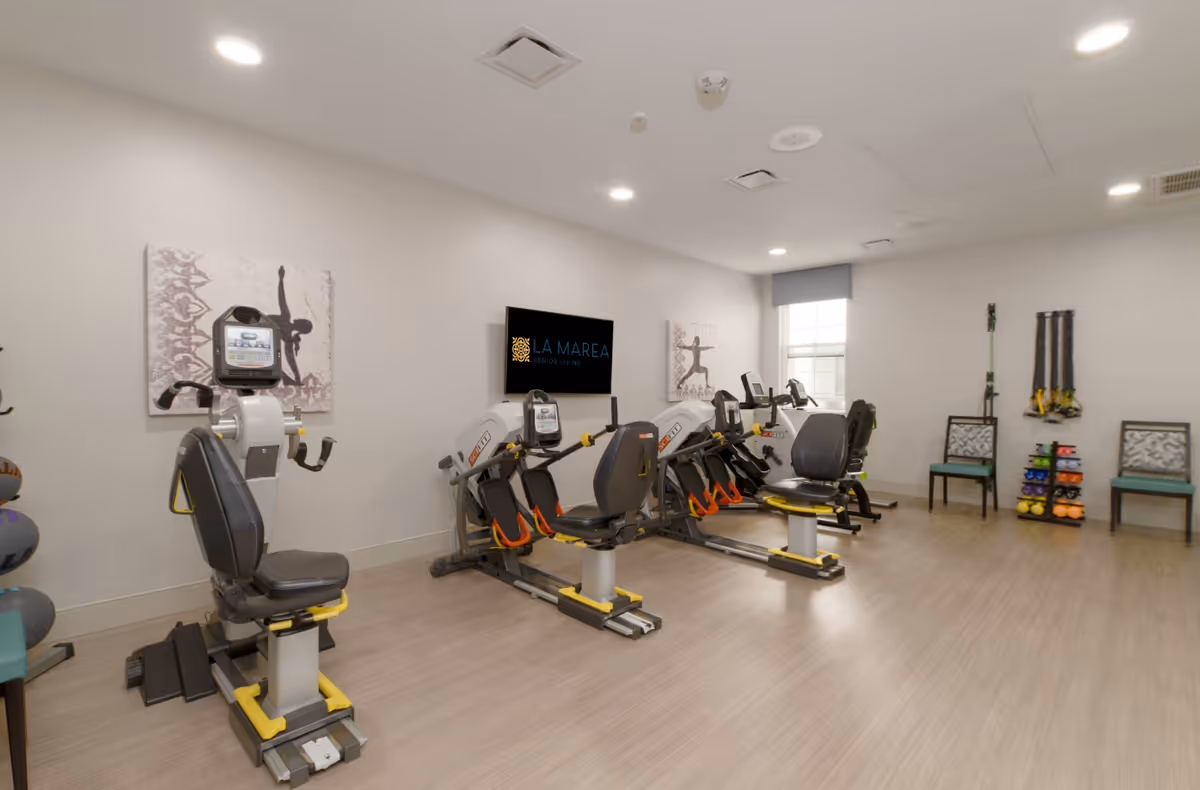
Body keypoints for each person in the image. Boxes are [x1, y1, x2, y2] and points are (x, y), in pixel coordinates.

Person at [265, 266, 314, 387]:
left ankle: (287, 380)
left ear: (300, 325)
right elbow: (291, 359)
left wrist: (281, 279)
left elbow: (281, 297)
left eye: (303, 320)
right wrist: (297, 378)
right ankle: (288, 380)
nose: (301, 318)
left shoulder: (286, 318)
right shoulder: (289, 337)